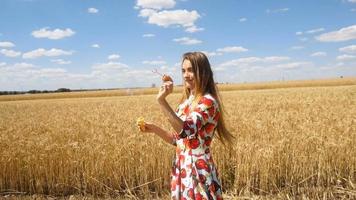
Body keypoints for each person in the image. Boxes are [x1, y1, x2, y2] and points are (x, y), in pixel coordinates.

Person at [141, 52, 234, 200]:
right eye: (183, 71)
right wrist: (154, 128)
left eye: (191, 70)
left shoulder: (208, 102)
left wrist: (161, 101)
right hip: (182, 168)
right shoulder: (186, 103)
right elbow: (178, 140)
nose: (186, 75)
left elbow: (186, 130)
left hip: (198, 171)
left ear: (203, 72)